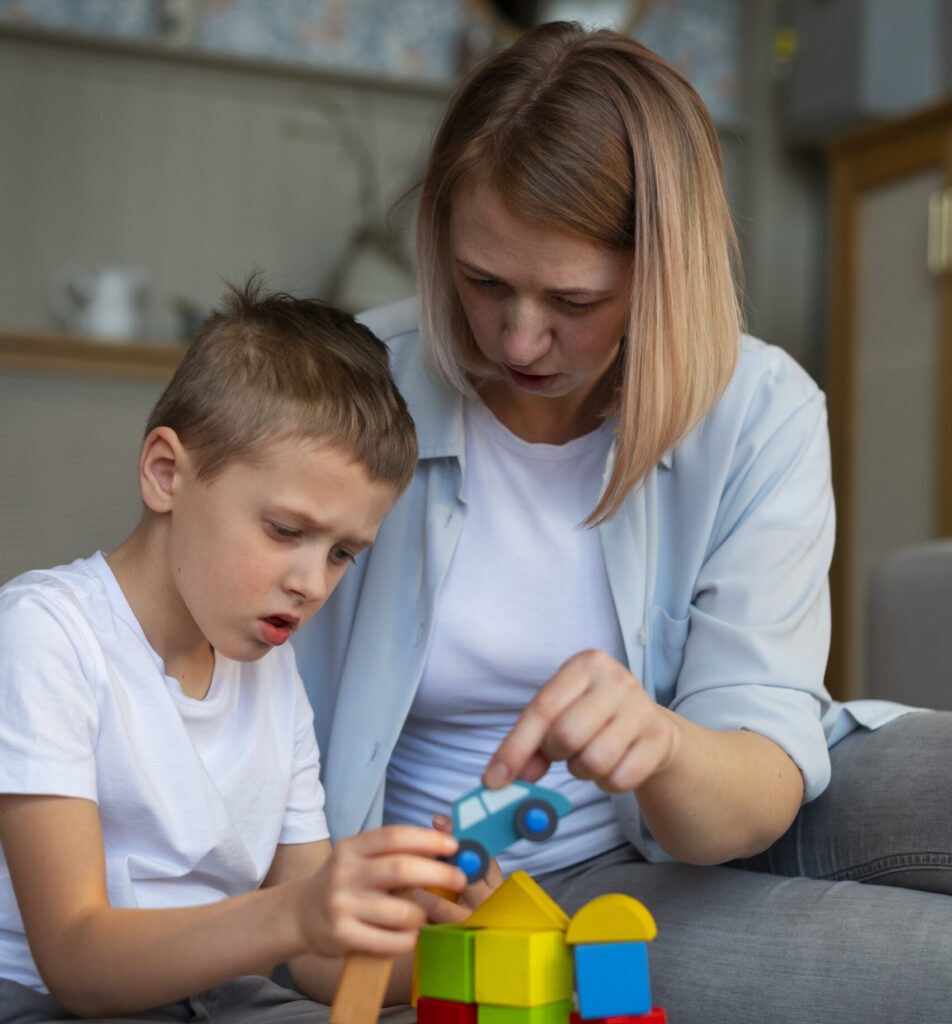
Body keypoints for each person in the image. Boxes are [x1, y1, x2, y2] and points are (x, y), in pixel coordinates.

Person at [294, 21, 952, 1023]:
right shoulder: (345, 389)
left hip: (732, 794)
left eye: (573, 298)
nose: (518, 337)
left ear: (662, 274)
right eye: (482, 283)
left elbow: (755, 776)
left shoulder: (760, 408)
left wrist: (663, 745)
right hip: (534, 891)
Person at [0, 279, 468, 1024]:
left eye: (344, 552)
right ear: (166, 474)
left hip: (222, 1000)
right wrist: (295, 914)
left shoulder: (271, 674)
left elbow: (320, 961)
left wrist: (469, 941)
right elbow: (76, 961)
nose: (313, 584)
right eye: (285, 531)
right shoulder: (46, 633)